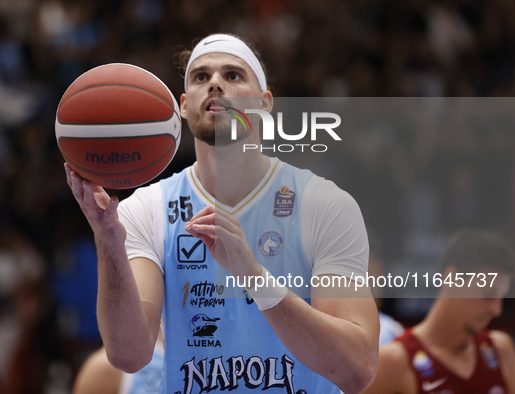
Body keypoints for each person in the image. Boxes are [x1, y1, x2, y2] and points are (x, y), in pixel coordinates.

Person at [64, 33, 379, 394]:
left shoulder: (322, 204)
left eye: (233, 75)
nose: (214, 83)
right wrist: (108, 241)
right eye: (201, 77)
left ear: (264, 103)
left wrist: (254, 276)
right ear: (183, 105)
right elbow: (130, 355)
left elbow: (359, 368)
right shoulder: (146, 209)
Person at [363, 229, 515, 394]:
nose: (496, 310)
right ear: (452, 279)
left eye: (502, 297)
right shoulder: (395, 361)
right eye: (488, 295)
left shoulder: (500, 349)